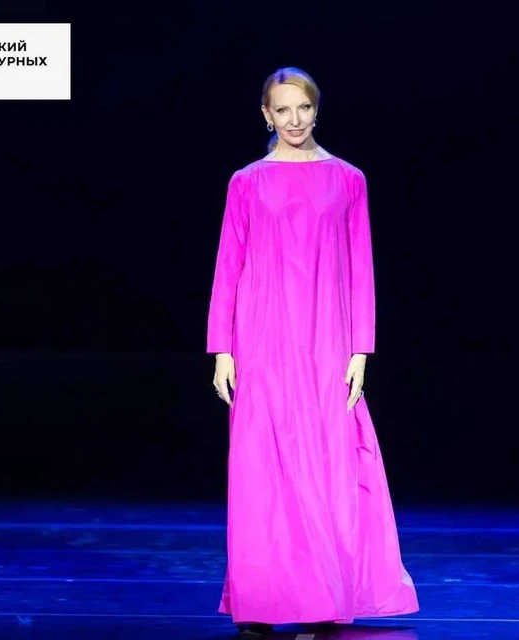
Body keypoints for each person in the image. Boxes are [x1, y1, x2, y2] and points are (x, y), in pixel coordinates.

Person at [207, 67, 419, 636]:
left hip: (327, 336)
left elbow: (361, 266)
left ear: (316, 109)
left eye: (302, 108)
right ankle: (259, 604)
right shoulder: (246, 182)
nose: (294, 120)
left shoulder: (347, 179)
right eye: (282, 110)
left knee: (325, 463)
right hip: (262, 335)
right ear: (266, 115)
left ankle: (322, 600)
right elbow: (228, 264)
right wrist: (221, 348)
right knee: (261, 467)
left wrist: (361, 349)